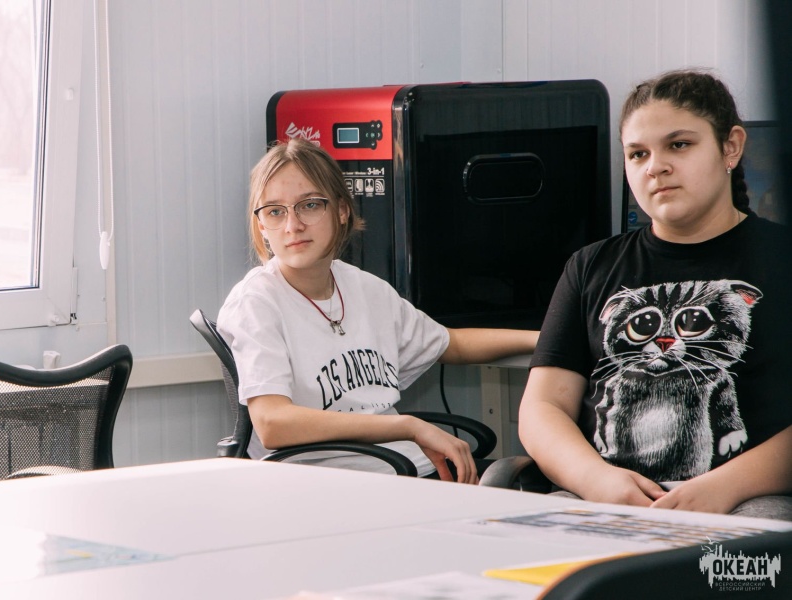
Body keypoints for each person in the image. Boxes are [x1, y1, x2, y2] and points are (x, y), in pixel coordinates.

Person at [519, 69, 792, 519]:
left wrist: (725, 486)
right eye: (638, 153)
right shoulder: (591, 267)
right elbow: (543, 407)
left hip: (749, 499)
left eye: (679, 145)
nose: (655, 167)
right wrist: (595, 479)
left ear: (731, 146)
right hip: (606, 497)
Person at [217, 138, 539, 484]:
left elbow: (453, 344)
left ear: (342, 210)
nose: (292, 225)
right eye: (275, 211)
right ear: (261, 226)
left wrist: (546, 338)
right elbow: (272, 423)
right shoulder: (255, 303)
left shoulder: (364, 288)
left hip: (408, 469)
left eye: (309, 205)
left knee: (531, 484)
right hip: (332, 486)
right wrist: (407, 426)